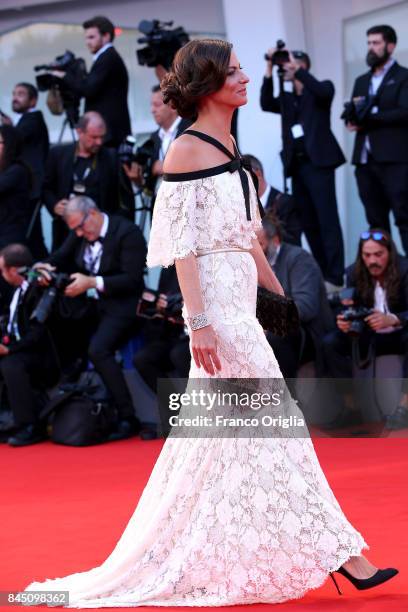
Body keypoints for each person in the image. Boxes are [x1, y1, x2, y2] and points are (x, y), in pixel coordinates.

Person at [25, 39, 398, 606]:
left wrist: (279, 297)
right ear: (207, 84)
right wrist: (199, 323)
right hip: (219, 319)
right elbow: (185, 248)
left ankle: (182, 551)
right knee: (279, 435)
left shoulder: (229, 142)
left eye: (245, 70)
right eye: (235, 72)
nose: (247, 79)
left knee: (223, 443)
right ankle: (345, 555)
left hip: (240, 308)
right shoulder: (185, 150)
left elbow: (246, 240)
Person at [43, 196, 146, 442]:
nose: (78, 233)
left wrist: (92, 282)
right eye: (74, 229)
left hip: (125, 305)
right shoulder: (79, 232)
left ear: (94, 212)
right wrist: (42, 267)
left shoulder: (127, 232)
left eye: (80, 226)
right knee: (54, 324)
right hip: (92, 305)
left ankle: (127, 416)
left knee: (98, 350)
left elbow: (132, 280)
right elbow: (60, 256)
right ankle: (66, 396)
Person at [260, 47, 345, 289]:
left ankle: (336, 275)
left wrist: (299, 72)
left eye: (292, 64)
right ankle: (321, 272)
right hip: (296, 167)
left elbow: (323, 91)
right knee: (308, 221)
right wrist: (268, 68)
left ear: (303, 66)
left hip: (318, 164)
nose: (286, 67)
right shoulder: (287, 99)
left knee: (327, 219)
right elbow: (266, 103)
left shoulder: (319, 91)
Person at [322, 229, 408, 430]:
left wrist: (393, 319)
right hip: (369, 332)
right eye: (367, 255)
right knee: (330, 343)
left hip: (400, 331)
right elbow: (349, 306)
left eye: (378, 255)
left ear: (389, 253)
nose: (372, 261)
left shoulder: (405, 270)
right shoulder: (354, 272)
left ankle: (404, 407)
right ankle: (351, 407)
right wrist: (344, 320)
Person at [348, 25, 408, 254]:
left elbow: (404, 111)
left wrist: (370, 118)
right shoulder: (362, 80)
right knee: (375, 222)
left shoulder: (403, 76)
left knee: (404, 217)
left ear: (390, 46)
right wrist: (351, 118)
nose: (371, 48)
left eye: (376, 43)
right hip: (365, 161)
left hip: (395, 161)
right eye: (369, 43)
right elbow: (356, 110)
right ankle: (385, 276)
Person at [257, 211, 334, 378]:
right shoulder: (251, 262)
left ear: (275, 241)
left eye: (260, 244)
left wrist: (266, 320)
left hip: (308, 333)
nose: (255, 251)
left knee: (276, 338)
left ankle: (283, 398)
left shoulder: (299, 259)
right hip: (268, 327)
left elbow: (305, 307)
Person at [42, 111, 134, 250]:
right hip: (66, 233)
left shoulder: (112, 157)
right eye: (94, 137)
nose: (99, 142)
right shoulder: (58, 154)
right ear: (80, 132)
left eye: (102, 137)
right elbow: (45, 187)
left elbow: (126, 199)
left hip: (100, 235)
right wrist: (54, 205)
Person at [0, 244, 59, 447]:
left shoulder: (38, 290)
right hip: (21, 350)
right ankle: (6, 422)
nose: (1, 274)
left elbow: (37, 334)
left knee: (11, 364)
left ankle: (29, 426)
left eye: (2, 269)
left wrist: (9, 349)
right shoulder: (14, 291)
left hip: (42, 356)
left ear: (14, 270)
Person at [55, 15, 131, 147]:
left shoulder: (108, 58)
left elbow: (88, 88)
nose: (87, 42)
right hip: (106, 133)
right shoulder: (105, 58)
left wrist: (64, 76)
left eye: (91, 37)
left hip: (110, 134)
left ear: (106, 36)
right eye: (86, 38)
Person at [1, 82, 49, 259]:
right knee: (33, 238)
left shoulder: (34, 119)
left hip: (30, 190)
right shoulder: (24, 122)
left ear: (33, 100)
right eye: (13, 93)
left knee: (31, 237)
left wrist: (9, 129)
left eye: (21, 94)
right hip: (27, 191)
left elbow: (17, 138)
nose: (15, 97)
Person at [242, 153, 302, 245]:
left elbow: (293, 242)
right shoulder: (240, 207)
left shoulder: (286, 203)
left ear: (258, 174)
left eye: (242, 179)